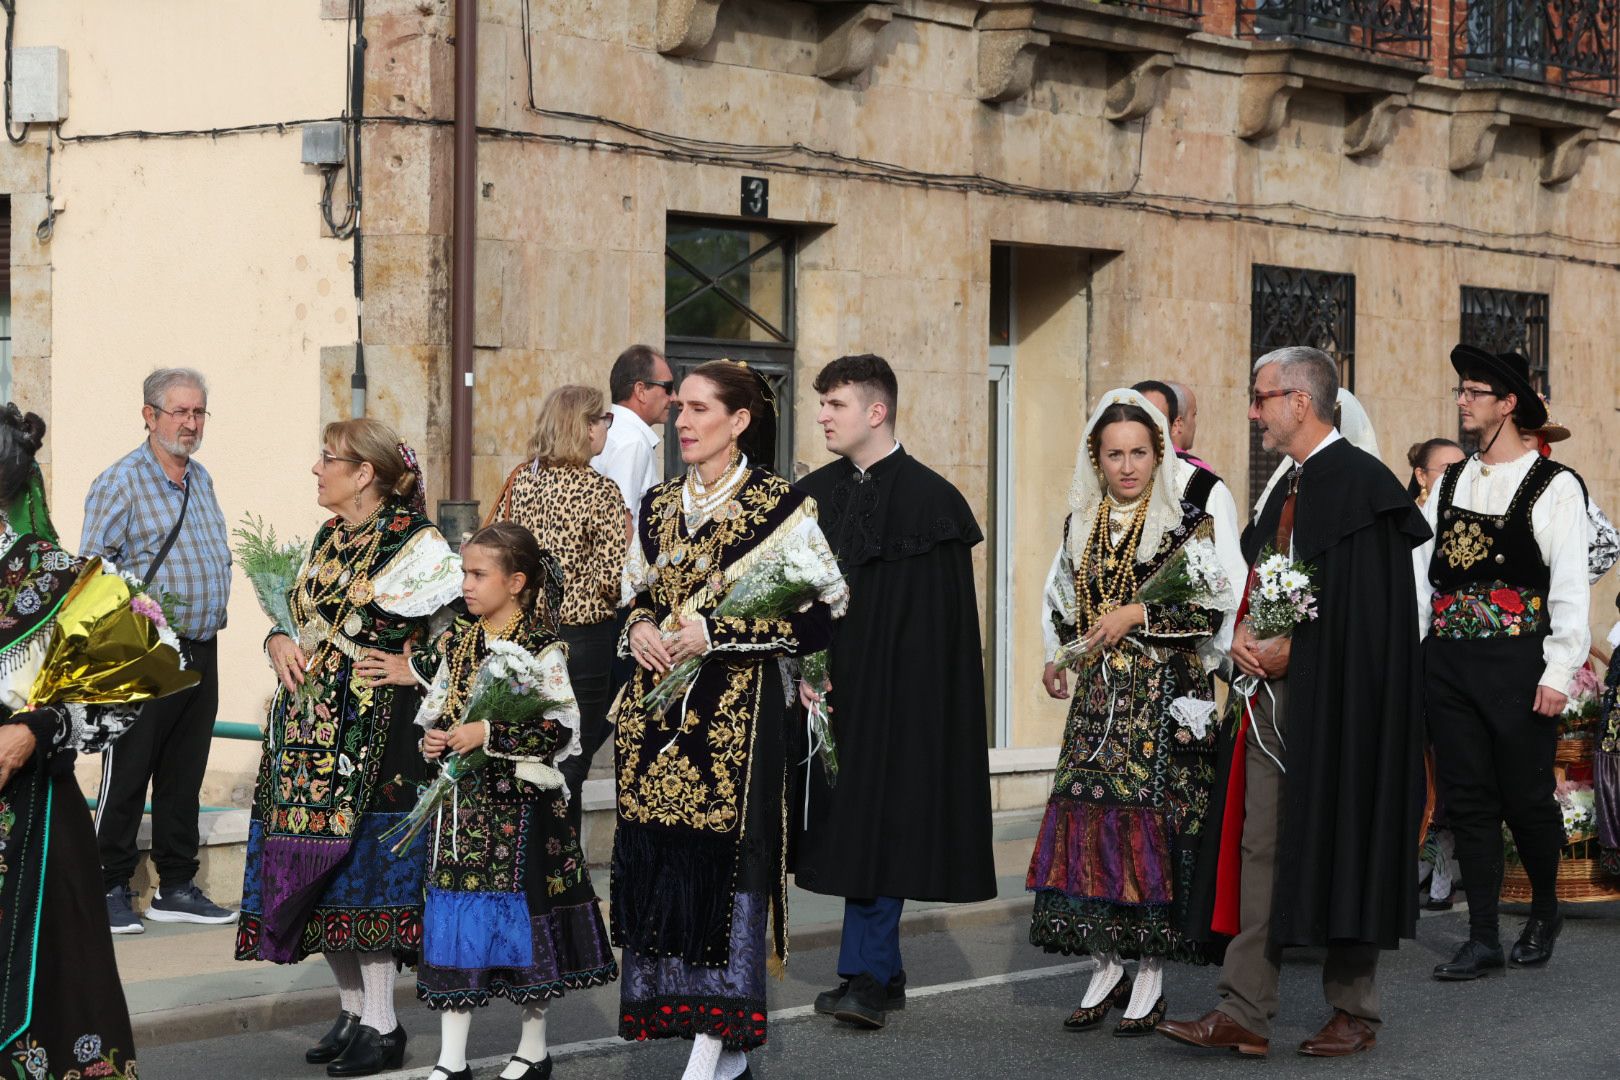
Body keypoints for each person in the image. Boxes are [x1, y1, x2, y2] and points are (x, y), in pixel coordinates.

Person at [1163, 346, 1429, 1058]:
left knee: (1347, 841)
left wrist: (1298, 652)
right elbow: (1264, 580)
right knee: (1260, 848)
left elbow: (1373, 623)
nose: (1253, 413)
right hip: (1272, 709)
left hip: (1345, 711)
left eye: (1262, 397)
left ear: (1300, 402)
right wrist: (1244, 637)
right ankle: (1245, 1008)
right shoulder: (1291, 483)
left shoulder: (1363, 487)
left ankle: (1354, 1010)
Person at [612, 359, 846, 1080]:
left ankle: (715, 1040)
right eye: (678, 408)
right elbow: (633, 596)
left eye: (699, 409)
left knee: (727, 876)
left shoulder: (781, 504)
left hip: (736, 725)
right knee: (664, 869)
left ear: (739, 421)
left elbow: (818, 617)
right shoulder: (656, 505)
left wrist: (716, 632)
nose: (682, 421)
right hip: (654, 726)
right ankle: (716, 1046)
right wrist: (643, 628)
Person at [236, 419, 464, 1078]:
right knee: (319, 876)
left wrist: (410, 669)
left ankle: (384, 1025)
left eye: (328, 459)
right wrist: (277, 639)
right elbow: (301, 617)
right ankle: (353, 1010)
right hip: (308, 736)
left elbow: (462, 631)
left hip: (377, 736)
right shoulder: (331, 535)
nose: (316, 468)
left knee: (364, 875)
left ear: (363, 473)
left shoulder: (413, 542)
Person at [792, 354, 996, 1031]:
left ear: (876, 411)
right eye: (821, 404)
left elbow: (945, 629)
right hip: (829, 699)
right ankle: (879, 969)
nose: (822, 415)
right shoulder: (813, 493)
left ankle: (869, 976)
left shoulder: (933, 501)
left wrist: (924, 703)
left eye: (836, 404)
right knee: (849, 829)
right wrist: (804, 669)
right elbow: (795, 602)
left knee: (886, 826)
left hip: (905, 700)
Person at [1033, 389, 1238, 1035]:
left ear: (1160, 455)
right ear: (1096, 459)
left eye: (1140, 453)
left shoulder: (1184, 521)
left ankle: (1150, 971)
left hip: (1163, 705)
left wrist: (1140, 614)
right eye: (1115, 454)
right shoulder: (1081, 523)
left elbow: (1211, 606)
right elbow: (1067, 603)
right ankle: (1106, 962)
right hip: (1098, 708)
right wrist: (1056, 655)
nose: (1127, 466)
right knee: (1091, 826)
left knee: (1153, 833)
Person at [0, 405, 195, 1080]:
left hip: (31, 822)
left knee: (49, 982)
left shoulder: (61, 577)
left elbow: (127, 684)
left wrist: (39, 727)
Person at [416, 523, 618, 1080]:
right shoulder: (457, 640)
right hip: (461, 808)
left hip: (520, 811)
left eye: (479, 574)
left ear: (517, 582)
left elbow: (561, 730)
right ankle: (450, 1061)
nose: (468, 584)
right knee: (457, 923)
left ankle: (533, 1048)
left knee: (525, 927)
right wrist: (434, 738)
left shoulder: (542, 649)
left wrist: (490, 735)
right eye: (465, 572)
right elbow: (437, 708)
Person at [1415, 346, 1589, 980]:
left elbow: (1570, 584)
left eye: (1474, 391)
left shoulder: (1555, 484)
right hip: (1452, 661)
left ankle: (1545, 908)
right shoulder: (1453, 480)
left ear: (1508, 403)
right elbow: (1421, 574)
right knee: (1467, 797)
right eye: (1461, 389)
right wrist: (1418, 652)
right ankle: (1483, 935)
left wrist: (1558, 672)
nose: (1462, 400)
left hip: (1519, 662)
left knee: (1525, 797)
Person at [82, 367, 237, 933]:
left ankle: (176, 885)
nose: (191, 423)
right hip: (142, 652)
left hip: (201, 647)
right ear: (149, 416)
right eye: (180, 412)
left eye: (199, 412)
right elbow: (93, 570)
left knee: (183, 774)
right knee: (127, 774)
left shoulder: (203, 479)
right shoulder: (120, 481)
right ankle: (106, 886)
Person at [489, 385, 628, 830]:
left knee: (526, 749)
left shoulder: (520, 481)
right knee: (572, 756)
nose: (606, 428)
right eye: (602, 420)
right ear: (585, 428)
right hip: (581, 639)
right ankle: (559, 866)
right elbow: (612, 580)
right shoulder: (601, 491)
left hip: (523, 636)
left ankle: (523, 852)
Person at [1134, 381, 1247, 660]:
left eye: (1155, 422)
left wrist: (1228, 659)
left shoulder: (1205, 489)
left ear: (1174, 426)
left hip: (1183, 665)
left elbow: (1230, 579)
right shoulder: (1102, 490)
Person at [592, 343, 675, 533]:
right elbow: (620, 523)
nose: (674, 398)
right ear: (640, 391)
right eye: (668, 388)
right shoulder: (632, 441)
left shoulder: (610, 429)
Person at [1408, 438, 1466, 506]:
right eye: (1447, 470)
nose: (1458, 477)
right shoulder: (1408, 515)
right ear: (1421, 476)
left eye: (1463, 471)